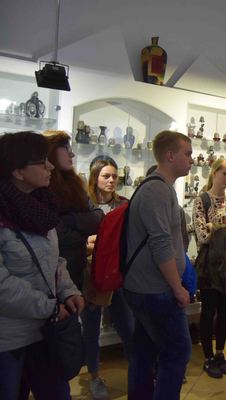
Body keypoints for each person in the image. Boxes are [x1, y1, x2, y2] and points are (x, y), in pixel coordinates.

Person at [0, 131, 84, 400]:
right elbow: (2, 286)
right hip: (8, 340)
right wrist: (50, 307)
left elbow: (53, 259)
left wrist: (68, 291)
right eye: (41, 161)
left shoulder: (40, 207)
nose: (50, 166)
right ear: (18, 171)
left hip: (45, 333)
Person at [123, 130, 193, 399]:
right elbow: (161, 245)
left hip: (147, 287)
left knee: (144, 350)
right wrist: (177, 288)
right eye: (187, 154)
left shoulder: (159, 188)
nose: (192, 159)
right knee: (177, 351)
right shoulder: (157, 189)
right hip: (155, 290)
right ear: (170, 156)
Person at [81, 158, 135, 399]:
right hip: (91, 275)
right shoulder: (84, 206)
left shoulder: (123, 205)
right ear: (95, 178)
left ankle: (138, 370)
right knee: (91, 329)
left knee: (128, 325)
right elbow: (75, 241)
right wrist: (89, 244)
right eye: (106, 176)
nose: (112, 180)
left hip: (118, 274)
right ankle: (94, 376)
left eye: (115, 176)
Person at [193, 158, 226, 379]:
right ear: (214, 173)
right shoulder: (202, 200)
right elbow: (202, 236)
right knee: (208, 311)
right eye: (225, 173)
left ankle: (219, 353)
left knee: (225, 311)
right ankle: (207, 356)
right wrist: (225, 230)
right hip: (209, 266)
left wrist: (214, 227)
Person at [44, 130, 104, 291]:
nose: (72, 154)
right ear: (51, 150)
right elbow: (56, 233)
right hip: (53, 272)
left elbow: (99, 217)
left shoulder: (74, 184)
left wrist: (68, 220)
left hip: (77, 267)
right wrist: (83, 235)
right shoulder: (42, 186)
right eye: (66, 148)